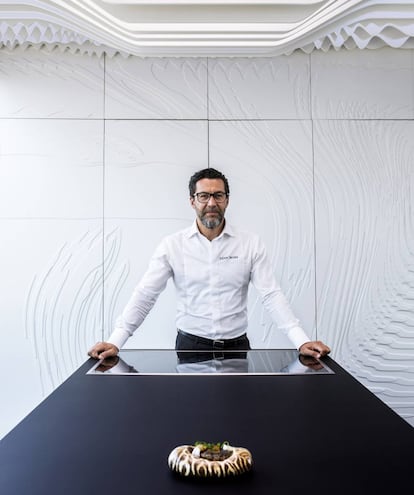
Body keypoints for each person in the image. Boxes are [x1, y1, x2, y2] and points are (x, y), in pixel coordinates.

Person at [88, 167, 330, 360]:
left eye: (218, 195)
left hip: (237, 347)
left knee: (238, 416)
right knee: (192, 416)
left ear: (227, 200)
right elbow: (145, 295)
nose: (211, 203)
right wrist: (115, 341)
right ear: (192, 201)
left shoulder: (250, 244)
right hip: (190, 347)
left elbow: (271, 295)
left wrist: (301, 341)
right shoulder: (172, 245)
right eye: (204, 196)